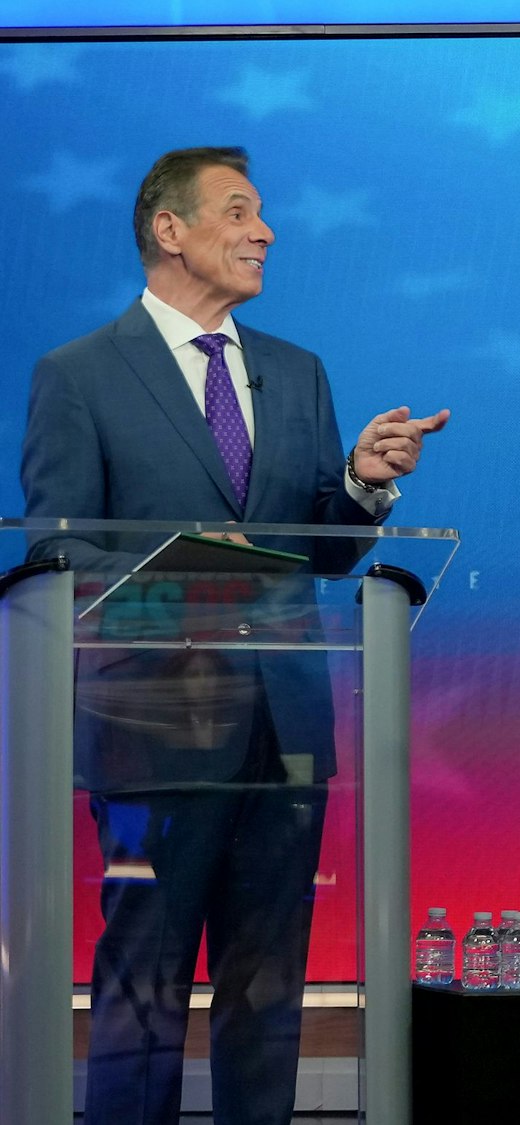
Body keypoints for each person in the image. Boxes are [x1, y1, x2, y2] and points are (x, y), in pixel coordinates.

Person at [19, 146, 448, 1125]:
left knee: (267, 986)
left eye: (263, 215)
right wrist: (186, 564)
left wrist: (363, 484)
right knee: (144, 980)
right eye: (240, 212)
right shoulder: (79, 375)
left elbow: (322, 550)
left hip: (285, 728)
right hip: (151, 728)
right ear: (169, 229)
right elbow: (57, 550)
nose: (265, 232)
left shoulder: (296, 373)